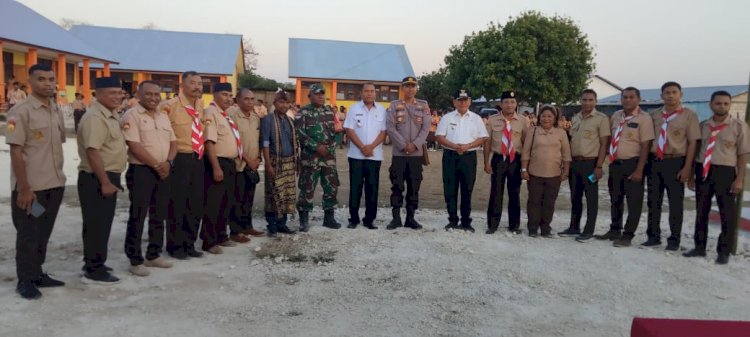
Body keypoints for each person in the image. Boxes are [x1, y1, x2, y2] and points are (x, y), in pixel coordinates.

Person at [6, 64, 66, 299]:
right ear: (30, 82)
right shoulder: (19, 112)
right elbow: (16, 152)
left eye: (51, 79)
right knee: (28, 234)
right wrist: (24, 188)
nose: (48, 83)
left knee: (43, 232)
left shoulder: (55, 109)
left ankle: (38, 272)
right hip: (32, 189)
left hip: (54, 184)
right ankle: (25, 280)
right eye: (41, 79)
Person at [684, 91, 750, 264]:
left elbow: (743, 154)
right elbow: (697, 150)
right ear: (711, 104)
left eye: (725, 103)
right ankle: (699, 247)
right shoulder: (703, 125)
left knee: (727, 213)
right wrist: (691, 174)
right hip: (703, 170)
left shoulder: (738, 126)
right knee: (701, 211)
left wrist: (740, 178)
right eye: (718, 103)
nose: (722, 106)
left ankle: (724, 251)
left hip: (726, 172)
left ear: (729, 105)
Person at [120, 80, 175, 277]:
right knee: (138, 215)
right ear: (139, 95)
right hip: (141, 171)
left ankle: (154, 255)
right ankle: (135, 260)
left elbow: (173, 142)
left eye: (156, 94)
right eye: (149, 94)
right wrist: (157, 165)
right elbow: (134, 145)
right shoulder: (131, 115)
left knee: (159, 214)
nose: (153, 98)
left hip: (164, 170)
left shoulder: (163, 116)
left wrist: (168, 163)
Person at [77, 76, 128, 284]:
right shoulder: (95, 118)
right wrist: (105, 182)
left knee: (102, 223)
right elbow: (93, 151)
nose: (117, 97)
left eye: (120, 93)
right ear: (98, 94)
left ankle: (95, 261)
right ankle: (94, 269)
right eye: (112, 93)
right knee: (96, 224)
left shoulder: (111, 115)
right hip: (97, 178)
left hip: (108, 176)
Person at [643, 81, 700, 250]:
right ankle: (653, 236)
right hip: (655, 160)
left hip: (676, 161)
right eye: (667, 93)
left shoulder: (689, 115)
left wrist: (687, 168)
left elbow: (692, 143)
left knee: (675, 203)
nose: (670, 95)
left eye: (674, 92)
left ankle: (674, 239)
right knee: (654, 201)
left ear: (680, 95)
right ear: (661, 96)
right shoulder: (653, 115)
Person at [597, 87, 655, 246]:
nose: (627, 100)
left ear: (638, 99)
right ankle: (615, 229)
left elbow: (646, 146)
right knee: (615, 198)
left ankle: (628, 234)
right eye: (625, 97)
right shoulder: (616, 116)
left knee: (633, 201)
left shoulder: (644, 118)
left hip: (633, 164)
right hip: (616, 164)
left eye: (631, 97)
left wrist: (639, 169)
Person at [158, 71, 206, 260]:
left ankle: (189, 243)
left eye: (200, 83)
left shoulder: (200, 106)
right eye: (193, 83)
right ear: (182, 85)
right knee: (177, 204)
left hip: (197, 158)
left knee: (195, 203)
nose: (197, 87)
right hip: (180, 159)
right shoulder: (169, 107)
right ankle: (175, 245)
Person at [559, 89, 610, 242]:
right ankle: (574, 227)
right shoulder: (576, 118)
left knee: (591, 197)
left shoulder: (601, 119)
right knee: (575, 196)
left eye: (590, 100)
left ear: (595, 101)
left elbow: (604, 145)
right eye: (584, 100)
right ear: (580, 100)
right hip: (575, 163)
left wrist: (599, 166)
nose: (587, 102)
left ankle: (589, 230)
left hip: (591, 163)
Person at [436, 89, 488, 232]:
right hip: (450, 156)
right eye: (459, 100)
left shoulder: (476, 118)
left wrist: (468, 146)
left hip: (469, 157)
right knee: (450, 189)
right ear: (454, 102)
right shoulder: (447, 118)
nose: (463, 102)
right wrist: (455, 146)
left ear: (470, 101)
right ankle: (452, 220)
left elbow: (482, 138)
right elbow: (440, 136)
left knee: (467, 189)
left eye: (465, 100)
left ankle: (466, 221)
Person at [200, 82, 244, 254]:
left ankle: (221, 236)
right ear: (214, 94)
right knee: (213, 204)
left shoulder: (224, 115)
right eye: (224, 94)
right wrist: (216, 167)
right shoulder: (211, 113)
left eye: (229, 94)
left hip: (229, 163)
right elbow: (209, 142)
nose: (228, 98)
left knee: (226, 202)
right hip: (217, 163)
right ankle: (208, 241)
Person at [385, 76, 431, 230]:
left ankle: (410, 218)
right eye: (407, 86)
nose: (410, 89)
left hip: (416, 155)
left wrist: (415, 145)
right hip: (399, 154)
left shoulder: (423, 106)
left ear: (416, 88)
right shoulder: (394, 105)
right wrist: (404, 145)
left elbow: (425, 128)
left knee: (414, 186)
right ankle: (396, 218)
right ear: (402, 88)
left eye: (413, 86)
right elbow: (390, 128)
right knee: (397, 186)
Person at [294, 84, 342, 231]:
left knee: (331, 187)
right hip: (310, 159)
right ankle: (304, 219)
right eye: (317, 94)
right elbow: (299, 134)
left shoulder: (330, 112)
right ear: (310, 96)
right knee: (307, 187)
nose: (321, 96)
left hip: (328, 158)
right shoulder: (302, 113)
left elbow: (338, 132)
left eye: (323, 94)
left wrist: (330, 147)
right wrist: (316, 147)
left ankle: (329, 217)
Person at [521, 106, 572, 237]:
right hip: (534, 174)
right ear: (539, 117)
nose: (546, 118)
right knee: (534, 202)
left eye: (550, 116)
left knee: (549, 202)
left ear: (555, 118)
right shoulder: (532, 131)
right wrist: (524, 169)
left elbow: (566, 154)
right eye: (543, 116)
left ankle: (545, 228)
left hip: (554, 174)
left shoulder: (561, 133)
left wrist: (565, 171)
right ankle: (532, 228)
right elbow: (526, 152)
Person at [483, 91, 529, 234]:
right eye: (506, 102)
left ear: (516, 104)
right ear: (501, 104)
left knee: (514, 193)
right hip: (498, 159)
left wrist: (524, 166)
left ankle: (514, 225)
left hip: (515, 159)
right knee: (496, 192)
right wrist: (486, 162)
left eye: (512, 102)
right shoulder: (492, 120)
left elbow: (526, 144)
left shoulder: (523, 120)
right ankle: (493, 224)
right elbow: (488, 143)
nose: (510, 105)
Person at [344, 83, 387, 230]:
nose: (369, 93)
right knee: (355, 188)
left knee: (372, 188)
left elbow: (384, 132)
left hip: (374, 156)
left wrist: (371, 147)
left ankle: (369, 219)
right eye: (366, 91)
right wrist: (363, 147)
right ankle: (353, 219)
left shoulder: (382, 110)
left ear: (376, 93)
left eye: (372, 91)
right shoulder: (354, 108)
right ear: (361, 93)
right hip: (356, 155)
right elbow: (349, 130)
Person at [228, 88, 266, 239]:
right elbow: (233, 142)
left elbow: (257, 141)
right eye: (246, 99)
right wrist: (248, 160)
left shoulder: (255, 118)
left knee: (249, 198)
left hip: (253, 165)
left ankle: (247, 226)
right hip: (238, 165)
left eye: (252, 99)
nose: (250, 102)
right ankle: (236, 231)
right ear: (237, 100)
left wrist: (257, 159)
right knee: (237, 199)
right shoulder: (232, 116)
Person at [261, 91, 298, 236]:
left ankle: (282, 224)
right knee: (273, 194)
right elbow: (265, 143)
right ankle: (272, 226)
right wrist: (268, 164)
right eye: (281, 102)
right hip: (275, 163)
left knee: (287, 195)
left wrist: (296, 162)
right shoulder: (268, 119)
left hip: (289, 162)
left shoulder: (290, 120)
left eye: (287, 102)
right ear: (275, 103)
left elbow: (294, 142)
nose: (284, 105)